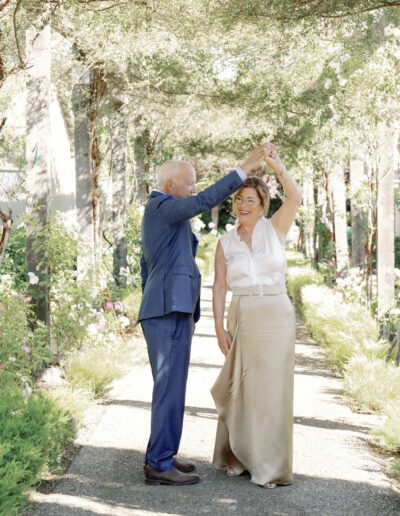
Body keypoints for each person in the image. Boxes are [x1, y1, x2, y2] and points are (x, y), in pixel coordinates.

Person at [138, 145, 267, 486]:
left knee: (173, 387)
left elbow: (145, 266)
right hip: (167, 310)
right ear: (171, 186)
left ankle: (164, 454)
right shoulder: (163, 206)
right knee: (169, 387)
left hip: (168, 308)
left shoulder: (161, 211)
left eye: (196, 182)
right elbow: (203, 201)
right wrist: (246, 166)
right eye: (190, 182)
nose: (195, 188)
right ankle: (157, 463)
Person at [211, 143, 302, 489]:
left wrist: (277, 165)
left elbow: (294, 198)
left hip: (277, 315)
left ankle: (270, 466)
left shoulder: (275, 229)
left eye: (251, 200)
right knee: (243, 388)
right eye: (238, 200)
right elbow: (220, 286)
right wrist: (218, 327)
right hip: (243, 314)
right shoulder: (225, 242)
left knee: (273, 391)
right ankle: (240, 454)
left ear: (263, 205)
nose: (243, 205)